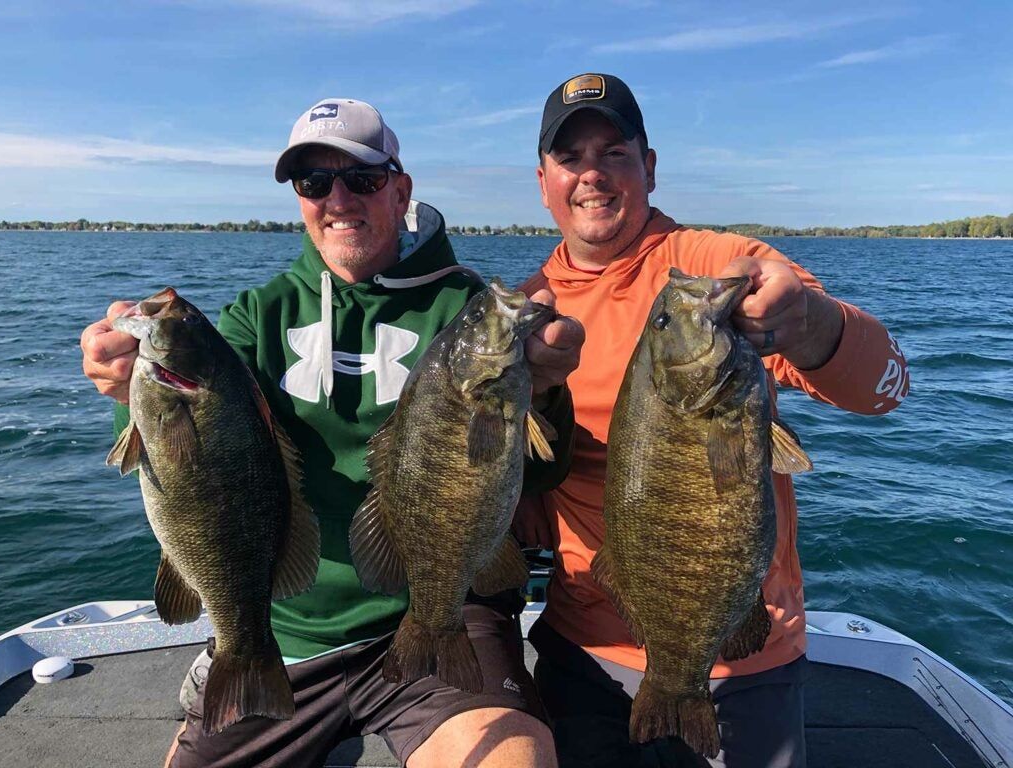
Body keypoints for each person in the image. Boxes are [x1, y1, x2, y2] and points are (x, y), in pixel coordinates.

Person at [80, 97, 584, 768]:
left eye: (363, 179)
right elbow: (188, 453)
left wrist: (546, 389)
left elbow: (541, 473)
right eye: (314, 183)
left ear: (400, 190)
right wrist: (124, 388)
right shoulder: (255, 317)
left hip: (447, 608)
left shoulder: (471, 311)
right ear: (298, 199)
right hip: (285, 625)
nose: (338, 197)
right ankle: (228, 661)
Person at [515, 73, 911, 768]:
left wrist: (813, 326)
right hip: (579, 654)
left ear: (650, 167)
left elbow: (884, 390)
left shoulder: (715, 267)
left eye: (615, 153)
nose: (592, 175)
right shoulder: (526, 310)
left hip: (739, 660)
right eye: (571, 159)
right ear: (543, 179)